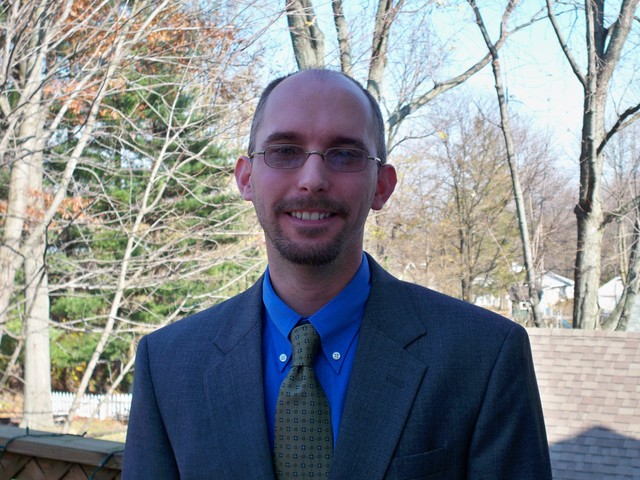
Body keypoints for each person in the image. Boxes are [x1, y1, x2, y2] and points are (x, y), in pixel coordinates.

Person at [122, 69, 552, 479]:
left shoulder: (483, 357)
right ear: (247, 178)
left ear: (382, 185)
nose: (312, 179)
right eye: (285, 151)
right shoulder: (168, 365)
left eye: (345, 154)